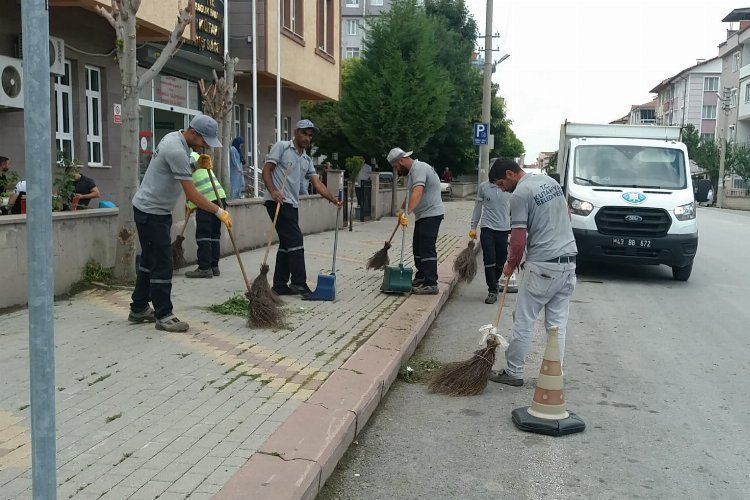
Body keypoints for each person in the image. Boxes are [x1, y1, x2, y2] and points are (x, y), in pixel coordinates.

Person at [128, 115, 233, 333]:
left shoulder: (175, 140)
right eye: (205, 141)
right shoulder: (176, 150)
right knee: (162, 264)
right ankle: (164, 315)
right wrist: (218, 210)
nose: (206, 146)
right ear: (194, 133)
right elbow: (192, 193)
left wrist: (195, 164)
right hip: (151, 212)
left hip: (154, 210)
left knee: (149, 260)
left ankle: (138, 308)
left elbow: (180, 171)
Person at [488, 158, 577, 387]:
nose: (501, 189)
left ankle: (514, 371)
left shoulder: (520, 194)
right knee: (557, 325)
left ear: (510, 173)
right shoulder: (550, 182)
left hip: (543, 265)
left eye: (500, 183)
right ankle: (554, 373)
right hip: (568, 262)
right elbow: (566, 215)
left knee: (524, 319)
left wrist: (509, 265)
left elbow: (518, 240)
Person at [262, 119, 342, 298]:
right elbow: (266, 170)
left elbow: (316, 182)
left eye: (310, 135)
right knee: (296, 240)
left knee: (287, 243)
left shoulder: (306, 159)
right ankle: (299, 282)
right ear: (296, 132)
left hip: (292, 203)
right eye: (304, 133)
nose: (307, 138)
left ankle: (280, 284)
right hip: (277, 202)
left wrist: (332, 199)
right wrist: (273, 192)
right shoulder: (282, 147)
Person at [387, 147, 445, 295]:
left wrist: (407, 213)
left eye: (395, 166)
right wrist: (402, 211)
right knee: (417, 249)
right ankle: (421, 276)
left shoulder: (419, 168)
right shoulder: (413, 172)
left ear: (401, 160)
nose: (396, 170)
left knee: (426, 248)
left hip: (431, 214)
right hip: (423, 216)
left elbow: (418, 192)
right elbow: (410, 195)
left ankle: (431, 283)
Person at [470, 159, 513, 304]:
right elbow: (478, 208)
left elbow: (516, 210)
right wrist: (473, 227)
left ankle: (495, 282)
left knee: (500, 260)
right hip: (487, 228)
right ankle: (492, 290)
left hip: (504, 229)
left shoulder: (509, 188)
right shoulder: (484, 187)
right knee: (489, 258)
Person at [185, 153, 227, 279]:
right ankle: (214, 266)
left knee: (203, 235)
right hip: (219, 196)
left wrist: (190, 205)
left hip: (206, 199)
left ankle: (204, 268)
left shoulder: (185, 157)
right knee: (214, 234)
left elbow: (190, 187)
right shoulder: (196, 155)